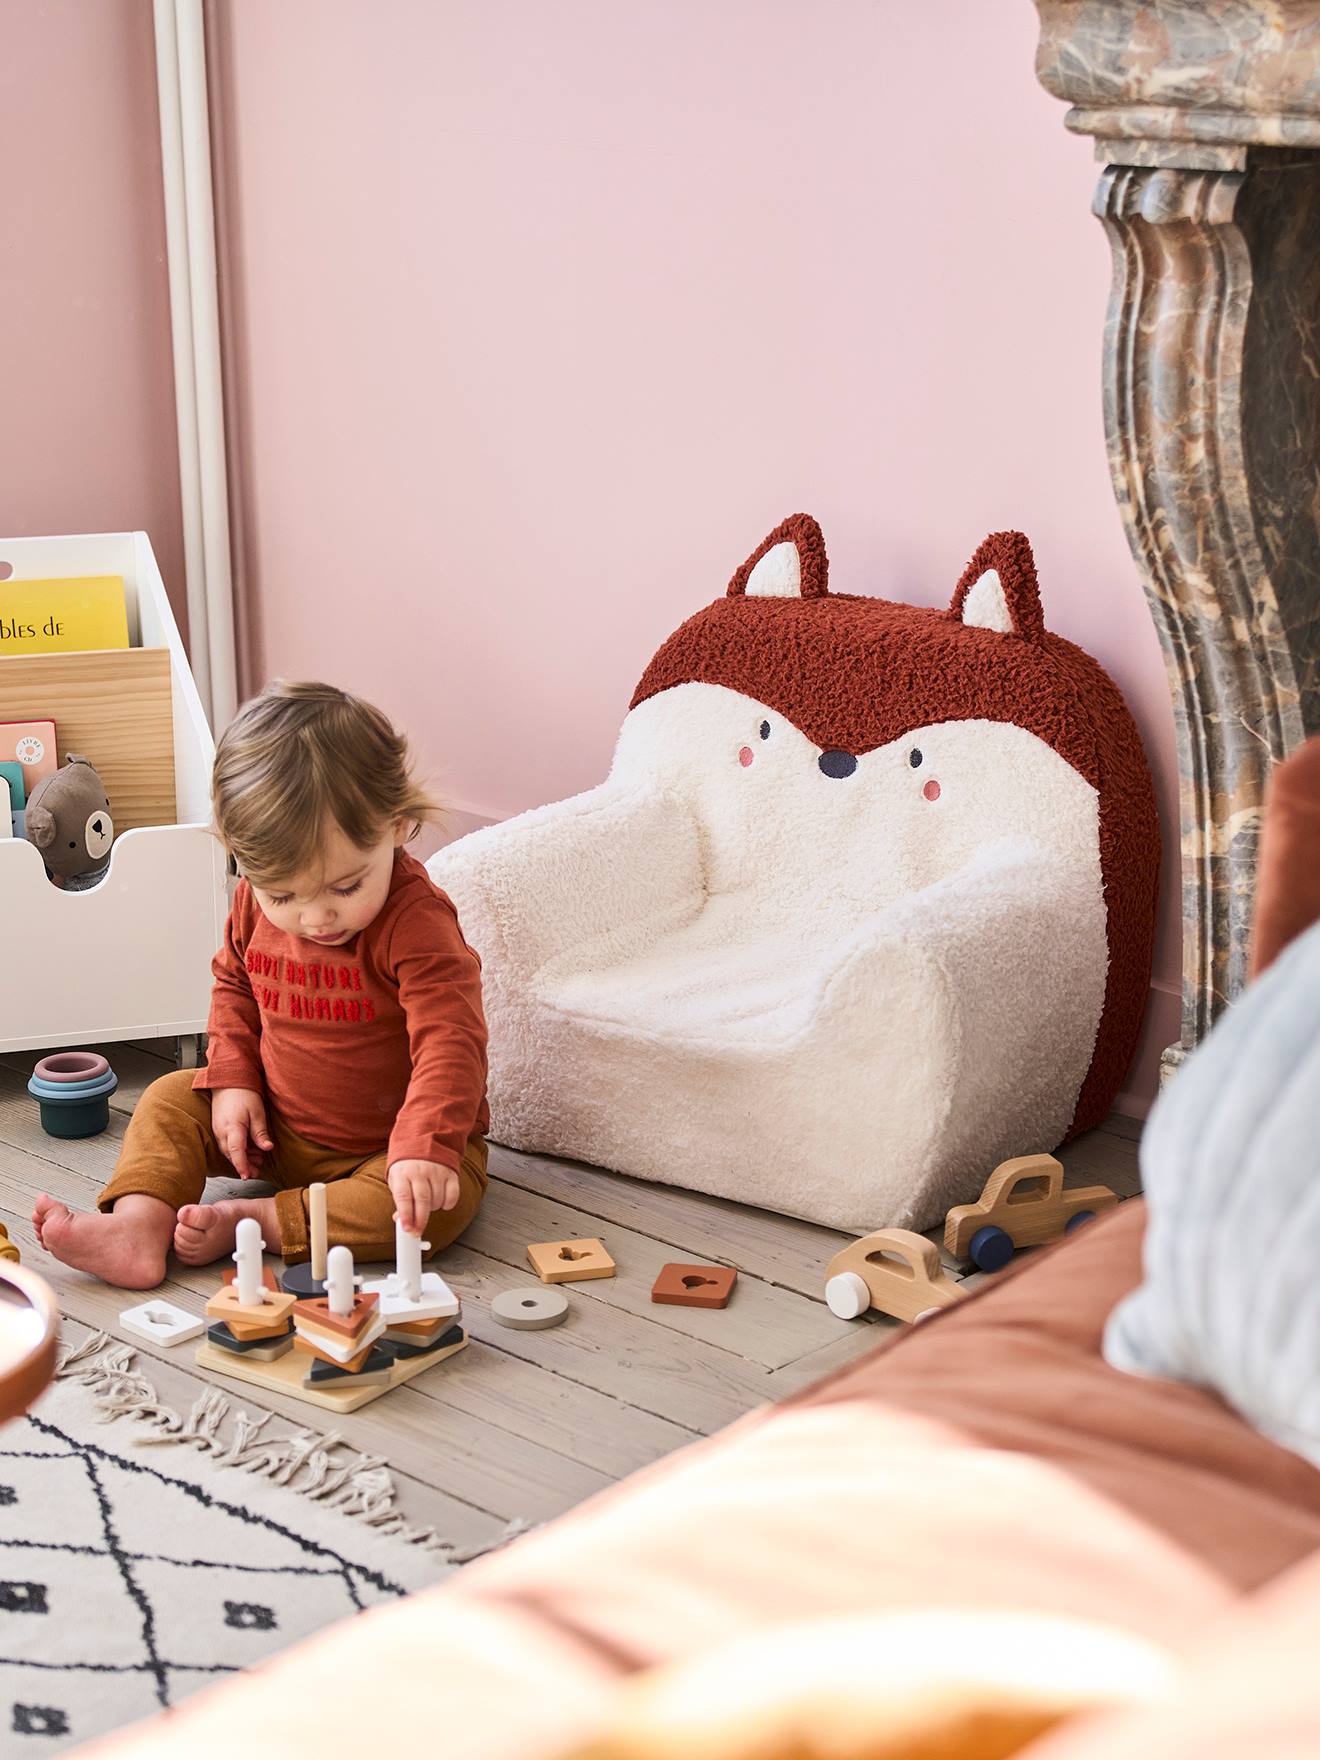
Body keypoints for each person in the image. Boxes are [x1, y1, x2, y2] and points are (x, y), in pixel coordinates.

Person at [34, 681, 489, 1290]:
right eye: (284, 895)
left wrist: (423, 1146)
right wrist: (233, 1082)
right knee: (169, 1099)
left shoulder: (416, 922)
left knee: (432, 1207)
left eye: (346, 887)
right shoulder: (252, 901)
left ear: (397, 824)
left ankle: (254, 1222)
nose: (316, 916)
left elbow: (451, 1043)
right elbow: (234, 988)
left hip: (388, 1149)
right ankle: (137, 1227)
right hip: (272, 1130)